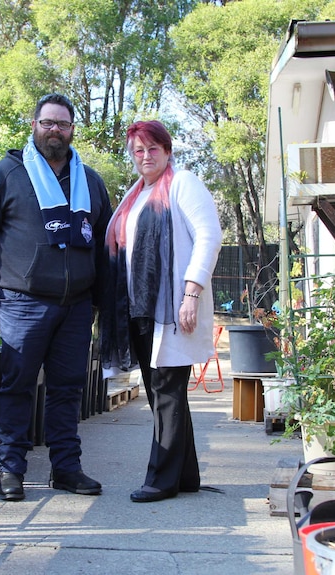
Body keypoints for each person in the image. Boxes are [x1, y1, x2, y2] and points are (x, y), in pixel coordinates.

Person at [0, 93, 113, 501]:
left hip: (77, 305)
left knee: (68, 389)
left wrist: (100, 300)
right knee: (17, 387)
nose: (55, 130)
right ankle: (10, 469)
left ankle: (66, 468)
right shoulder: (8, 174)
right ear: (34, 126)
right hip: (21, 300)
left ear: (71, 131)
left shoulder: (91, 181)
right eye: (47, 122)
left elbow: (104, 244)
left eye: (62, 124)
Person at [100, 120, 222, 503]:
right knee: (162, 394)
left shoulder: (182, 182)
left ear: (167, 151)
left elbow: (210, 234)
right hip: (138, 309)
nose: (145, 156)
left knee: (167, 390)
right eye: (138, 150)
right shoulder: (135, 195)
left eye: (153, 148)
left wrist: (192, 292)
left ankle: (161, 479)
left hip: (173, 307)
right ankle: (185, 475)